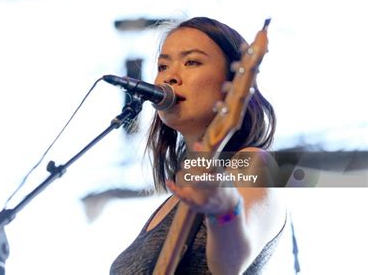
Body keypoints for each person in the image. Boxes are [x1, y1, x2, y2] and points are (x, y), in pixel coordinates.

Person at [110, 17, 296, 274]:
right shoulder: (173, 202)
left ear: (232, 84)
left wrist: (226, 210)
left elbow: (231, 264)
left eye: (192, 62)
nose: (170, 77)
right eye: (163, 66)